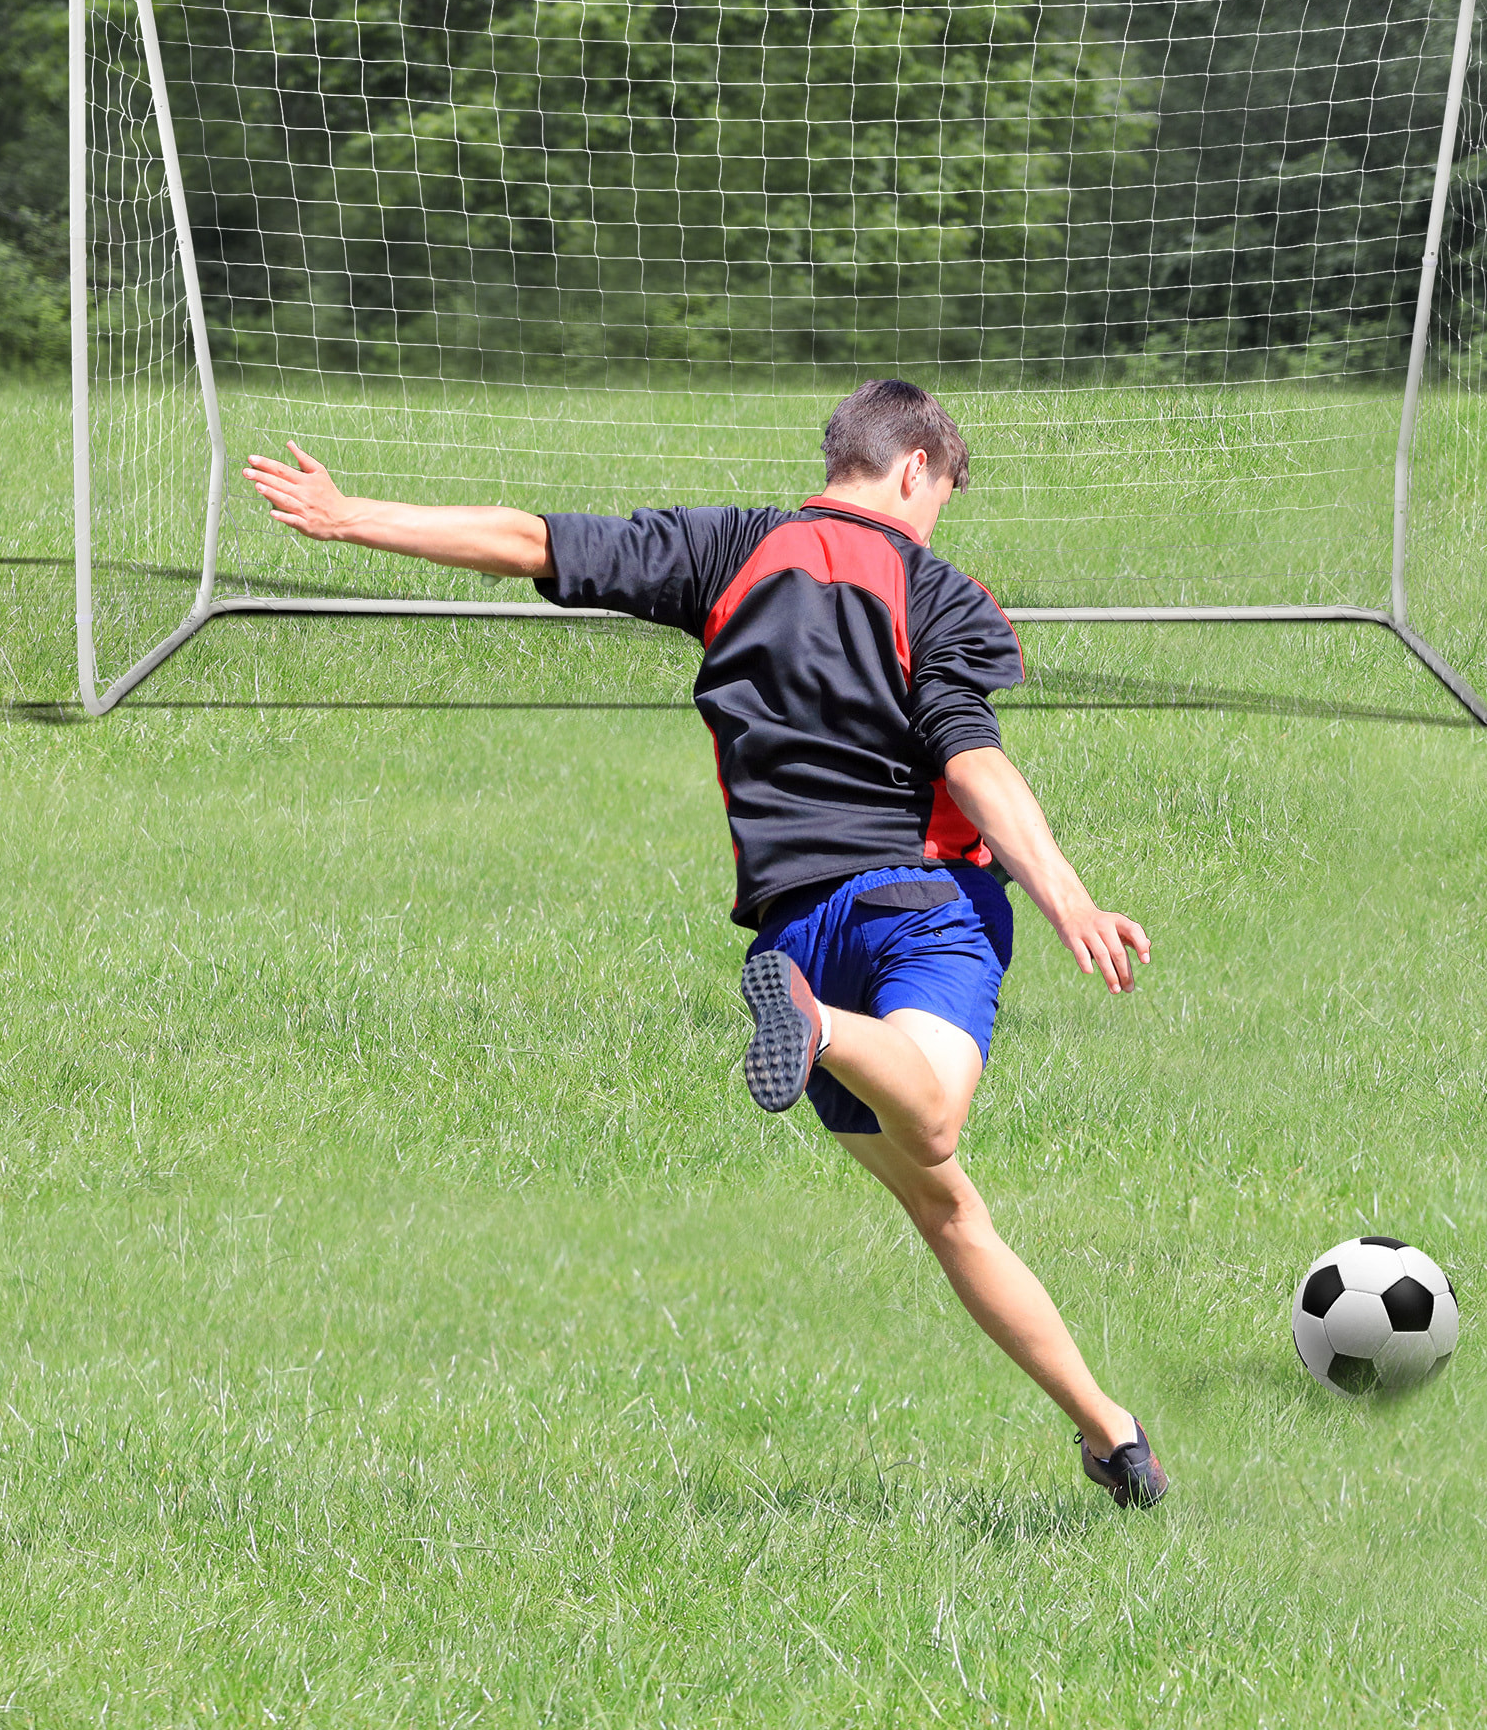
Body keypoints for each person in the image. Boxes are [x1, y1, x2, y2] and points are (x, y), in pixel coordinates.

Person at [245, 378, 1168, 1507]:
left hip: (798, 926)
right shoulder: (940, 592)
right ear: (914, 467)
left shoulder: (726, 548)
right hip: (918, 907)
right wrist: (1066, 891)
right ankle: (820, 1027)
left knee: (944, 1202)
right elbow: (968, 754)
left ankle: (1108, 1432)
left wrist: (354, 517)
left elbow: (531, 540)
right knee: (933, 1111)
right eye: (939, 496)